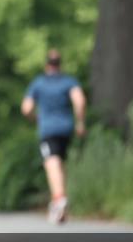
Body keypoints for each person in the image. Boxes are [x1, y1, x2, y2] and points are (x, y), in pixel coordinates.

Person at [22, 49, 86, 224]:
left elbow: (26, 108)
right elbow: (79, 101)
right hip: (66, 128)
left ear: (46, 65)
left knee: (51, 162)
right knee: (60, 163)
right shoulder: (69, 81)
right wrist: (80, 122)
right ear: (60, 64)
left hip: (48, 129)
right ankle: (60, 201)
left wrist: (35, 118)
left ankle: (59, 199)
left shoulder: (39, 83)